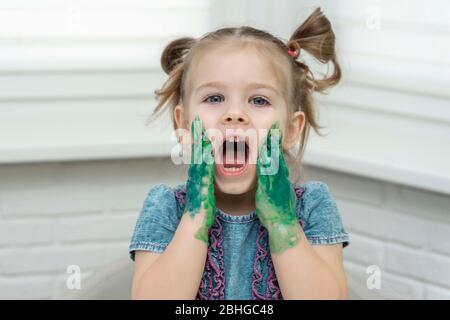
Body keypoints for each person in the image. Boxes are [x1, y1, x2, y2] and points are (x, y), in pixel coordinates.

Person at [129, 7, 350, 300]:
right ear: (183, 123)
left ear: (291, 128)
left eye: (258, 100)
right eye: (214, 98)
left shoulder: (311, 207)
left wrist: (282, 221)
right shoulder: (166, 207)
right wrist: (195, 215)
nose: (234, 114)